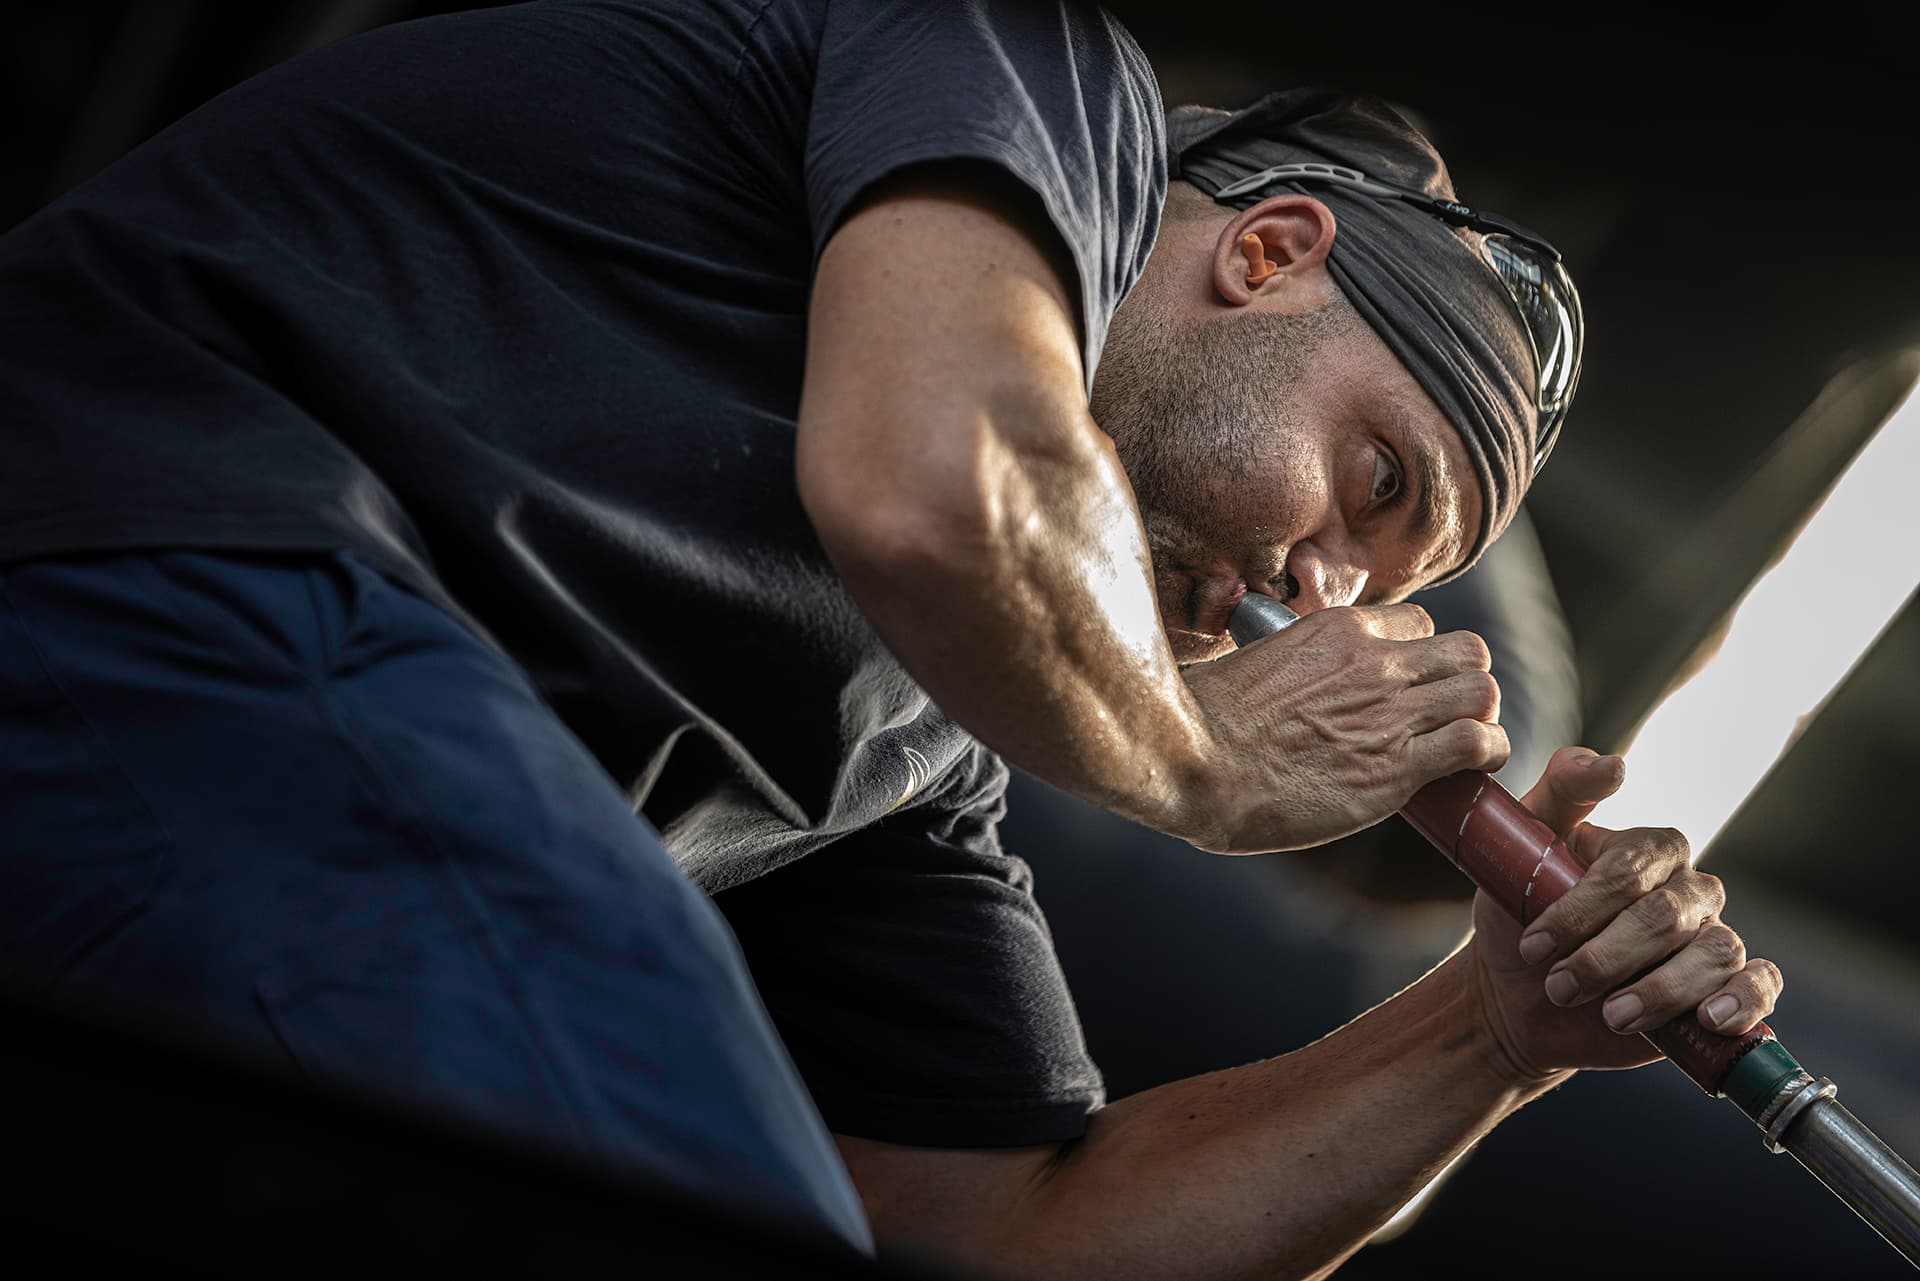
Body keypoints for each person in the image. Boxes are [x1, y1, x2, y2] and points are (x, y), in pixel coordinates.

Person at [0, 2, 1782, 1275]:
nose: (1319, 590)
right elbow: (939, 485)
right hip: (150, 550)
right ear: (1272, 252)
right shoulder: (1036, 71)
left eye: (1378, 585)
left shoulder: (911, 747)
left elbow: (1015, 1228)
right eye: (1369, 483)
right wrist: (1205, 755)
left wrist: (1493, 1030)